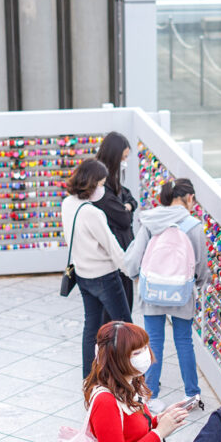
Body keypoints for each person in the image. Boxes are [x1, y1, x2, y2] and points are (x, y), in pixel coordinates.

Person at [123, 178, 208, 413]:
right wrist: (198, 283)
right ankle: (192, 394)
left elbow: (134, 258)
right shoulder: (193, 225)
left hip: (153, 291)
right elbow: (200, 265)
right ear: (189, 198)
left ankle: (149, 396)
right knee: (183, 341)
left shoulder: (150, 221)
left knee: (154, 343)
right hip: (181, 291)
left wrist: (134, 276)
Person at [61, 157, 131, 378]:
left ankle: (88, 379)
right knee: (126, 328)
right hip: (105, 277)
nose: (102, 188)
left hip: (82, 275)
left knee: (91, 328)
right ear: (91, 183)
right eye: (101, 184)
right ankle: (131, 379)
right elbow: (113, 248)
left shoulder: (67, 204)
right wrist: (131, 271)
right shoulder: (93, 213)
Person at [95, 131, 138, 313]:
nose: (125, 163)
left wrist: (127, 205)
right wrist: (127, 208)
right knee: (118, 310)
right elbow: (123, 218)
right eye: (123, 158)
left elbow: (130, 198)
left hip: (122, 253)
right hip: (114, 256)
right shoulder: (101, 188)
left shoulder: (114, 183)